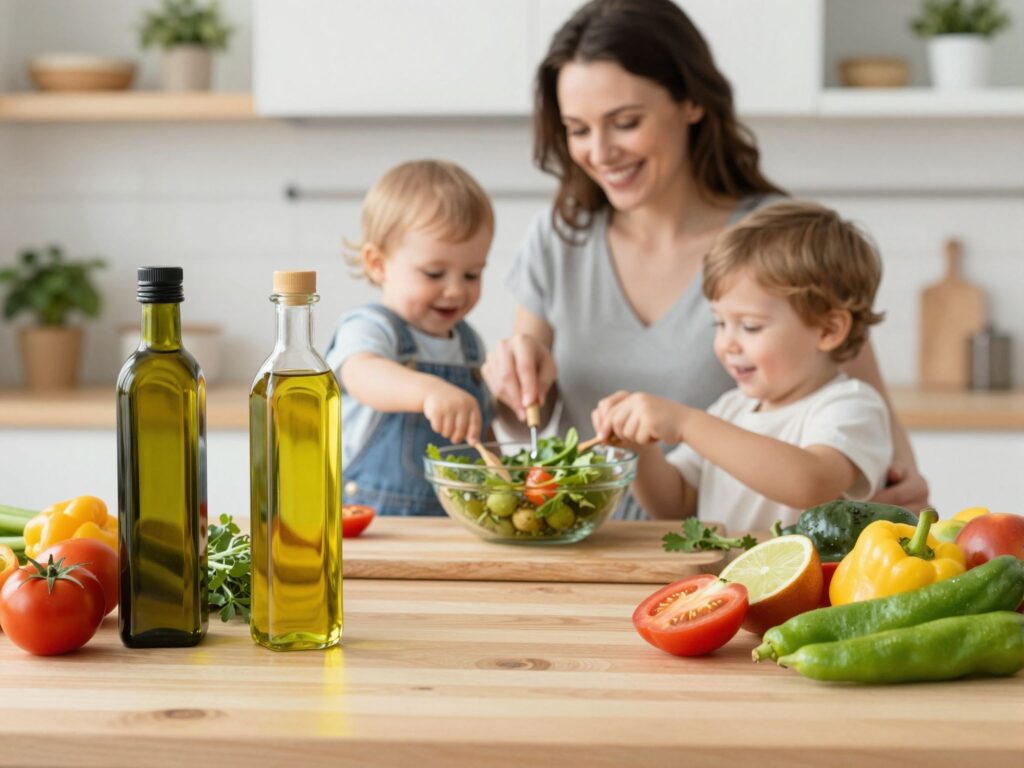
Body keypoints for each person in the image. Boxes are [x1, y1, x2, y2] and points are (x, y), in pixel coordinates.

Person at [481, 0, 928, 518]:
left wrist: (897, 495)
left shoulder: (775, 244)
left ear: (691, 101)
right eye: (578, 130)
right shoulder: (559, 237)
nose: (599, 153)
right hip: (593, 541)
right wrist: (511, 387)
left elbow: (870, 431)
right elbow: (527, 425)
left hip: (739, 564)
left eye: (624, 122)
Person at [591, 202, 893, 531]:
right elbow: (675, 505)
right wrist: (640, 450)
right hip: (730, 582)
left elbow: (811, 482)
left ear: (829, 329)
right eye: (719, 323)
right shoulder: (732, 409)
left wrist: (687, 423)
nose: (727, 344)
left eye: (749, 326)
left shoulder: (850, 406)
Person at [325, 160, 495, 516]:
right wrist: (430, 391)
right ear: (377, 264)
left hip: (454, 522)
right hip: (373, 521)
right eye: (434, 273)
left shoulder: (469, 343)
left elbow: (478, 428)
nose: (455, 290)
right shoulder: (371, 327)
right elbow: (361, 374)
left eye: (471, 274)